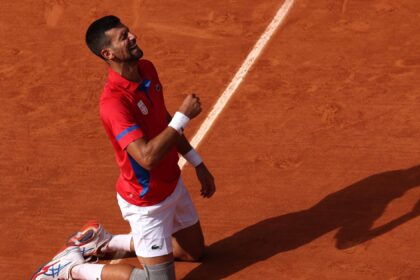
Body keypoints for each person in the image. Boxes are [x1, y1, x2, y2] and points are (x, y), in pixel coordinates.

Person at [32, 15, 216, 280]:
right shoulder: (114, 103)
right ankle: (73, 269)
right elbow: (147, 157)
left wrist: (196, 161)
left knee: (194, 253)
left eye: (128, 32)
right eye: (123, 37)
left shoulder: (148, 69)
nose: (132, 37)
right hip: (146, 203)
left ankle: (106, 242)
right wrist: (183, 116)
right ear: (108, 53)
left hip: (171, 185)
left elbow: (162, 119)